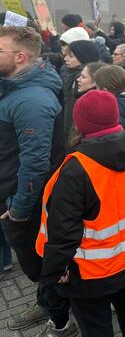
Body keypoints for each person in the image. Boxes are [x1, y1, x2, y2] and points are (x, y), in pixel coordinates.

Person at [35, 90, 125, 337]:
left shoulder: (76, 168)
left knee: (96, 327)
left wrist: (55, 272)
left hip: (90, 273)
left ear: (79, 123)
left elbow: (63, 231)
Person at [0, 27, 69, 334]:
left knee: (40, 264)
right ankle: (47, 302)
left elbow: (35, 164)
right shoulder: (15, 87)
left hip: (24, 201)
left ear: (20, 57)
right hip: (16, 192)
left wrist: (18, 209)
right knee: (39, 266)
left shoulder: (32, 101)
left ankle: (60, 320)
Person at [62, 40, 100, 140]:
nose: (65, 59)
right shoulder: (72, 73)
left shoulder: (81, 78)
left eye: (71, 56)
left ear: (83, 57)